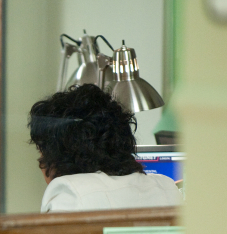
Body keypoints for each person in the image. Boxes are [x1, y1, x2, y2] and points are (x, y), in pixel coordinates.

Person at [28, 84, 182, 213]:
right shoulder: (167, 188)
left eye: (42, 152)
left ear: (58, 156)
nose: (41, 162)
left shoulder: (70, 194)